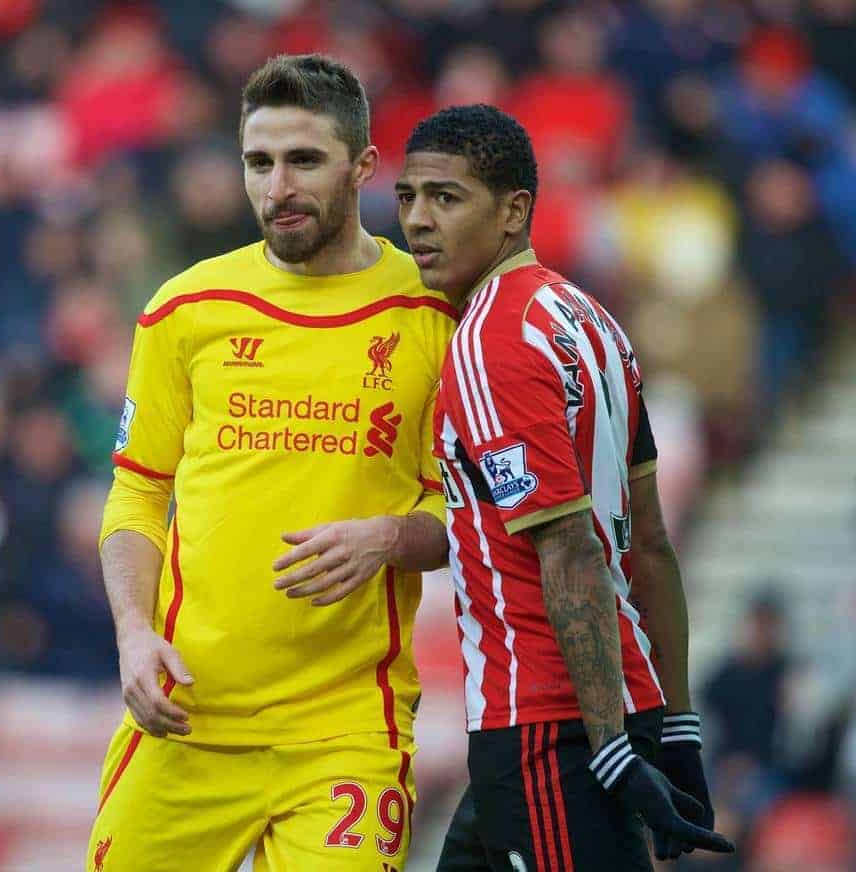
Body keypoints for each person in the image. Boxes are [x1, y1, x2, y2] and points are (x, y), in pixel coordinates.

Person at [87, 54, 454, 871]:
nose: (277, 186)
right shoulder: (186, 309)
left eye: (304, 160)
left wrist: (388, 539)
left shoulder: (433, 314)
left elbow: (460, 514)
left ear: (362, 167)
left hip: (346, 733)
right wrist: (133, 633)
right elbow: (138, 495)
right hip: (186, 714)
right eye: (260, 162)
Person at [392, 104, 735, 870]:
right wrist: (674, 726)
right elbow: (647, 542)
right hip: (595, 711)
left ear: (515, 210)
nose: (418, 220)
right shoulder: (589, 320)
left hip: (549, 725)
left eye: (446, 198)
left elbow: (572, 545)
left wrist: (608, 747)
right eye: (408, 197)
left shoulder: (487, 342)